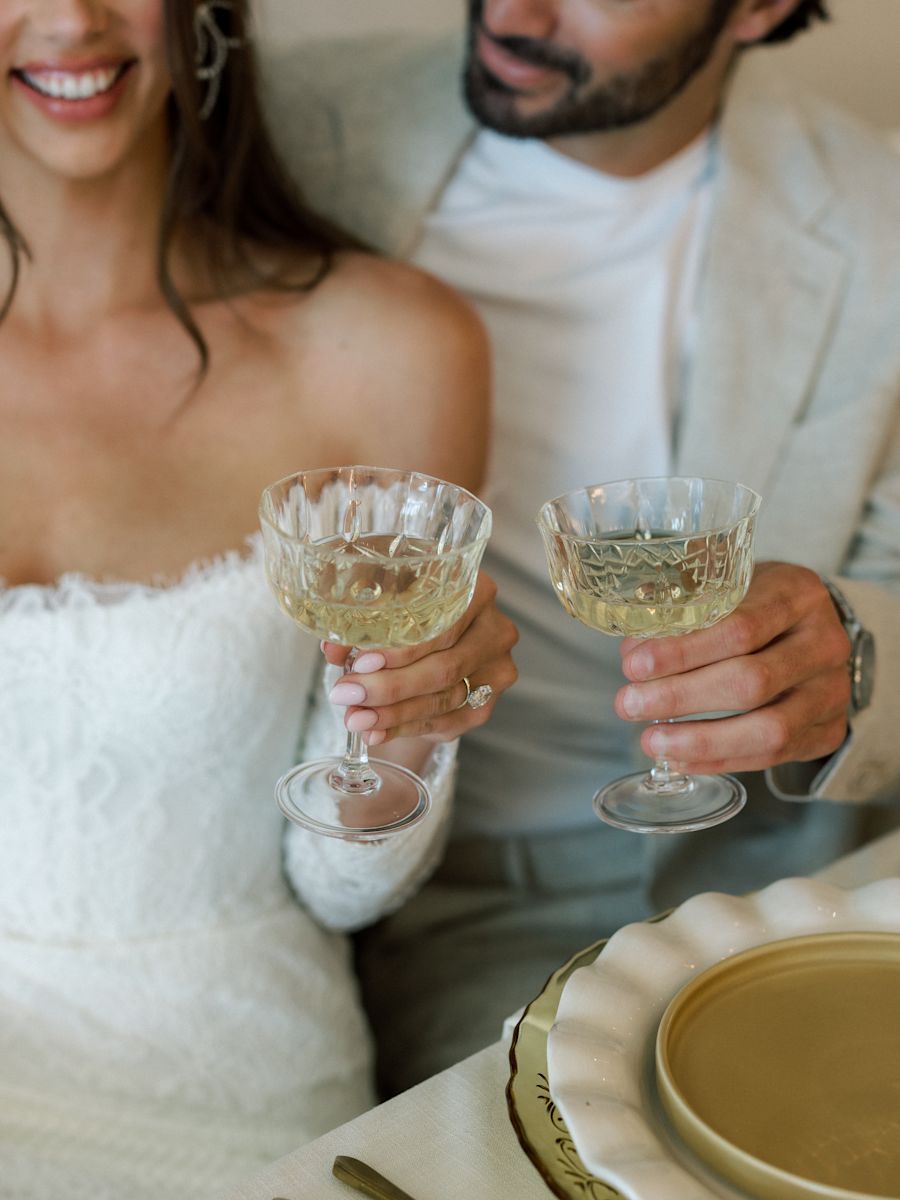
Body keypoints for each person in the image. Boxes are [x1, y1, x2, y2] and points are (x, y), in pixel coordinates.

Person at [259, 0, 900, 1095]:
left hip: (780, 878)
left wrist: (857, 658)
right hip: (461, 900)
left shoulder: (880, 220)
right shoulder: (288, 122)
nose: (515, 11)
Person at [0, 1, 518, 1196]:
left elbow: (343, 884)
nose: (72, 20)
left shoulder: (388, 350)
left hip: (231, 1091)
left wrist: (415, 723)